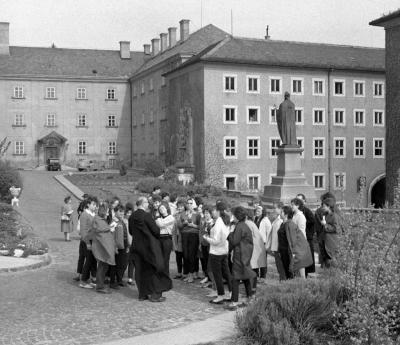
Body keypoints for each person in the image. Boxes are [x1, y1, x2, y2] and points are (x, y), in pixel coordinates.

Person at [130, 196, 172, 302]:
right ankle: (155, 295)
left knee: (139, 270)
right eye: (147, 202)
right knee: (154, 268)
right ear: (143, 203)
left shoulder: (132, 216)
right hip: (149, 247)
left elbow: (131, 231)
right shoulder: (146, 216)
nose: (148, 204)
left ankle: (142, 294)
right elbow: (156, 231)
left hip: (136, 246)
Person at [226, 206, 256, 310]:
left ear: (237, 216)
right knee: (245, 276)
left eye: (233, 215)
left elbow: (234, 241)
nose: (232, 216)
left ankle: (234, 301)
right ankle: (250, 298)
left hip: (240, 255)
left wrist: (229, 234)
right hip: (245, 254)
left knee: (235, 278)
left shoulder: (239, 226)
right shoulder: (245, 225)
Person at [203, 201, 232, 304]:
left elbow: (216, 240)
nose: (212, 212)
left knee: (217, 275)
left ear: (218, 211)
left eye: (214, 210)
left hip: (216, 252)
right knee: (227, 273)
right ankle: (231, 293)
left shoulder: (219, 222)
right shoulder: (226, 220)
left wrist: (206, 238)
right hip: (224, 251)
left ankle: (220, 295)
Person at [278, 206, 313, 279]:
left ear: (286, 214)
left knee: (290, 273)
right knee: (286, 271)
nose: (280, 213)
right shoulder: (283, 224)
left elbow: (292, 240)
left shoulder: (290, 224)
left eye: (281, 212)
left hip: (287, 252)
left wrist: (293, 254)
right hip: (283, 250)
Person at [91, 202, 117, 294]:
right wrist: (109, 228)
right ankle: (99, 286)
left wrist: (109, 227)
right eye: (107, 212)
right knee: (102, 267)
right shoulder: (98, 220)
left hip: (103, 247)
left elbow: (103, 230)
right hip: (101, 248)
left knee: (103, 267)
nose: (107, 213)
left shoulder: (100, 219)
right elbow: (100, 231)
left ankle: (100, 285)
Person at [177, 198, 201, 283]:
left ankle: (191, 274)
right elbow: (179, 226)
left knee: (192, 255)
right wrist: (184, 223)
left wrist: (193, 225)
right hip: (184, 235)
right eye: (188, 203)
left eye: (191, 203)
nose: (189, 205)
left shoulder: (197, 214)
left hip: (193, 235)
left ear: (194, 204)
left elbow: (200, 227)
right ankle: (187, 273)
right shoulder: (183, 214)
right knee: (186, 255)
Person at [77, 196, 98, 287]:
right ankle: (83, 281)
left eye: (95, 205)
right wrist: (88, 243)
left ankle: (93, 278)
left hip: (93, 241)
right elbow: (83, 231)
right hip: (86, 241)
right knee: (88, 261)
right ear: (88, 204)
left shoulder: (94, 215)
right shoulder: (84, 214)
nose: (95, 206)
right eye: (93, 204)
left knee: (93, 260)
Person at [246, 211, 267, 294]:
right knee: (254, 270)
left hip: (253, 249)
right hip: (257, 249)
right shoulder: (252, 223)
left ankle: (251, 290)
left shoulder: (248, 223)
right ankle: (253, 289)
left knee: (251, 270)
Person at [109, 204, 129, 289]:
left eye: (123, 211)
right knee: (114, 264)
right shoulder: (114, 222)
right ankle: (112, 282)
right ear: (115, 212)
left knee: (122, 263)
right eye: (120, 211)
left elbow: (125, 234)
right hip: (117, 246)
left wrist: (127, 245)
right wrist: (114, 247)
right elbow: (111, 235)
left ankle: (119, 279)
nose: (122, 213)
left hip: (123, 244)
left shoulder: (122, 221)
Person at [296, 194, 316, 276]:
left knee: (308, 256)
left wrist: (309, 234)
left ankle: (307, 273)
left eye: (300, 200)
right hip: (300, 237)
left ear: (304, 201)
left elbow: (312, 222)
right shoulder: (296, 212)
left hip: (307, 237)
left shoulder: (307, 211)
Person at [155, 202, 175, 276]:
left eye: (163, 208)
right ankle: (160, 274)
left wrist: (157, 219)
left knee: (166, 258)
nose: (161, 210)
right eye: (160, 209)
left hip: (167, 239)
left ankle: (166, 275)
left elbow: (161, 225)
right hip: (159, 239)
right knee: (159, 258)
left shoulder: (171, 218)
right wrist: (158, 219)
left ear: (167, 208)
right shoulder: (159, 218)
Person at [319, 198, 339, 268]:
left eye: (324, 206)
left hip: (331, 242)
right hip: (325, 241)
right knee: (326, 261)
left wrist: (325, 225)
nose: (322, 208)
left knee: (332, 260)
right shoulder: (326, 215)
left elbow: (336, 228)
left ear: (329, 206)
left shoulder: (334, 216)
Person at [268, 202, 286, 281]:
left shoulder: (282, 220)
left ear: (280, 208)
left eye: (275, 208)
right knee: (279, 267)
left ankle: (283, 282)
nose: (274, 210)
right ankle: (282, 281)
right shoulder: (276, 219)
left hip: (279, 247)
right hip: (275, 246)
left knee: (281, 267)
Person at [254, 205, 271, 283]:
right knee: (256, 259)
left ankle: (263, 277)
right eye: (256, 211)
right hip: (256, 242)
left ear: (263, 212)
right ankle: (256, 275)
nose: (257, 212)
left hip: (263, 242)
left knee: (263, 260)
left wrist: (267, 244)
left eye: (259, 211)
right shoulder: (255, 219)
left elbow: (269, 232)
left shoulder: (266, 220)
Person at [199, 205, 214, 285]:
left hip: (210, 245)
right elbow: (201, 233)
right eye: (205, 213)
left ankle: (211, 278)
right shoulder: (203, 222)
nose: (206, 215)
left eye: (208, 213)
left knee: (209, 262)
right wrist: (200, 243)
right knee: (204, 260)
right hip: (204, 243)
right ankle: (206, 276)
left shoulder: (213, 222)